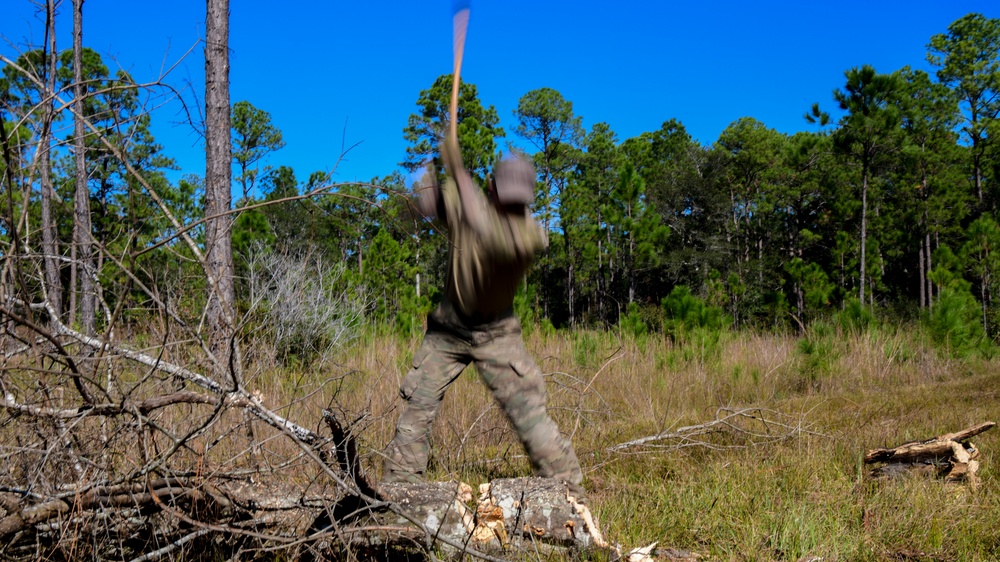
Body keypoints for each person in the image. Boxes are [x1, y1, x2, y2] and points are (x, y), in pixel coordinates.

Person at [382, 133, 585, 500]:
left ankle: (571, 500)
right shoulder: (468, 201)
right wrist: (426, 180)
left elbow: (488, 233)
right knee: (416, 410)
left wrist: (458, 174)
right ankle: (398, 496)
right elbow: (417, 209)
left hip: (498, 336)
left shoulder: (530, 235)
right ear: (492, 187)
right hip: (448, 331)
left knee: (531, 420)